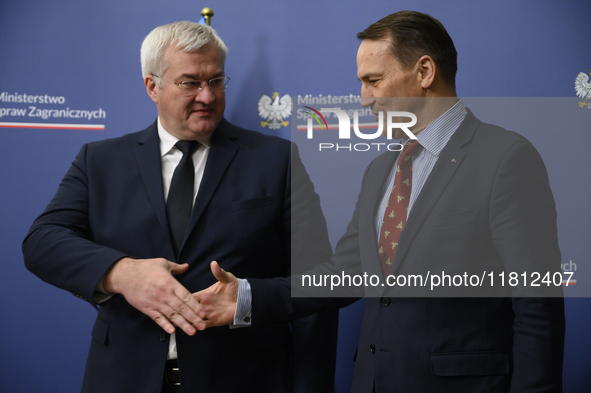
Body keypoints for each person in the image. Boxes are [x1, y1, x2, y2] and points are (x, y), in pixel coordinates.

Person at [194, 11, 566, 392]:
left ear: (424, 72)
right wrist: (249, 296)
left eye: (374, 80)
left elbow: (537, 304)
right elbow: (344, 274)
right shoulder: (381, 169)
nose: (363, 98)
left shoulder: (505, 158)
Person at [22, 21, 339, 393]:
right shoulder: (100, 161)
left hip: (246, 378)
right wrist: (121, 274)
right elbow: (42, 241)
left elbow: (321, 281)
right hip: (123, 379)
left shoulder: (277, 160)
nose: (207, 96)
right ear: (152, 86)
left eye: (216, 81)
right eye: (190, 83)